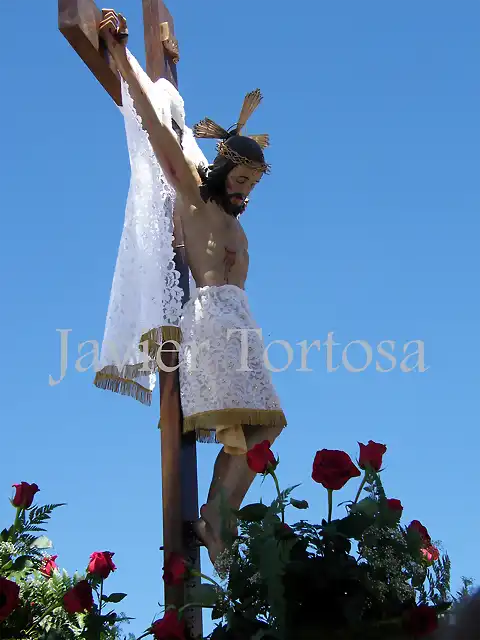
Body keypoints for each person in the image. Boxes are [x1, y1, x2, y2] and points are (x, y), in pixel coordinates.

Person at [98, 10, 287, 564]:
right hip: (209, 322)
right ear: (223, 167)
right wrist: (122, 58)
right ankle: (212, 523)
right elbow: (159, 132)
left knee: (265, 432)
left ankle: (213, 518)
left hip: (242, 328)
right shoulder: (196, 201)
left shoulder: (238, 225)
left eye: (254, 182)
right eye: (241, 177)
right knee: (255, 425)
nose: (246, 189)